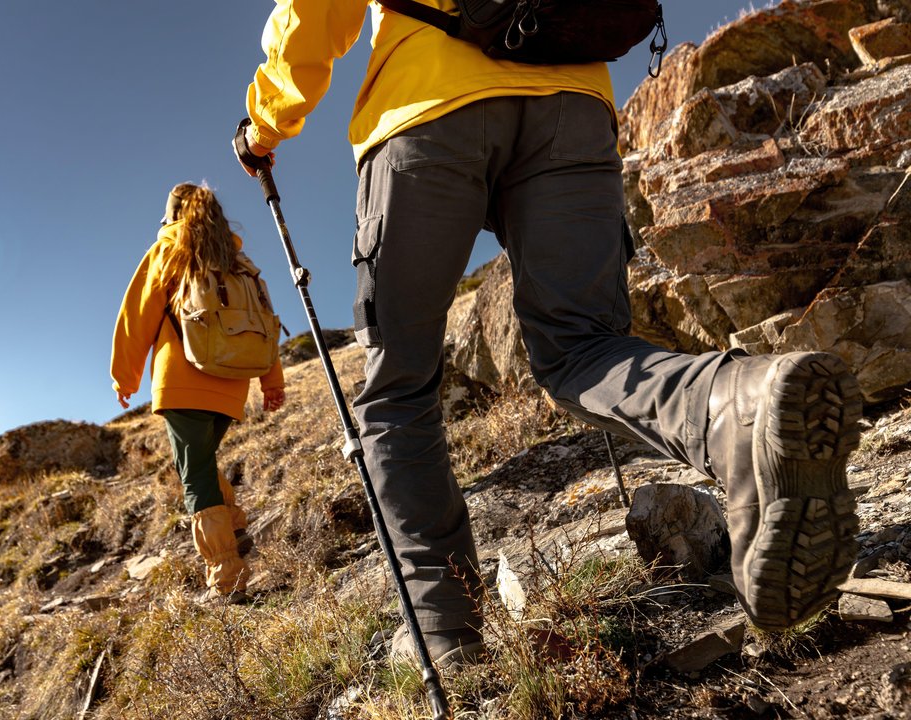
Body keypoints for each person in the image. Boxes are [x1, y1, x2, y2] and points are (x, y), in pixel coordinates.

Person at [236, 1, 862, 665]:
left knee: (398, 394)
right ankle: (743, 405)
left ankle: (447, 635)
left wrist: (267, 121)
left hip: (427, 106)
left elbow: (312, 12)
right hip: (572, 97)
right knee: (581, 347)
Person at [111, 182, 286, 604]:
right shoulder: (240, 263)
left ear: (172, 218)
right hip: (232, 384)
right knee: (201, 465)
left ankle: (225, 577)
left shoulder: (169, 252)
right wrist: (272, 381)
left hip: (182, 381)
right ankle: (237, 527)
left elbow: (137, 317)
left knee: (195, 479)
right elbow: (264, 321)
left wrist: (125, 377)